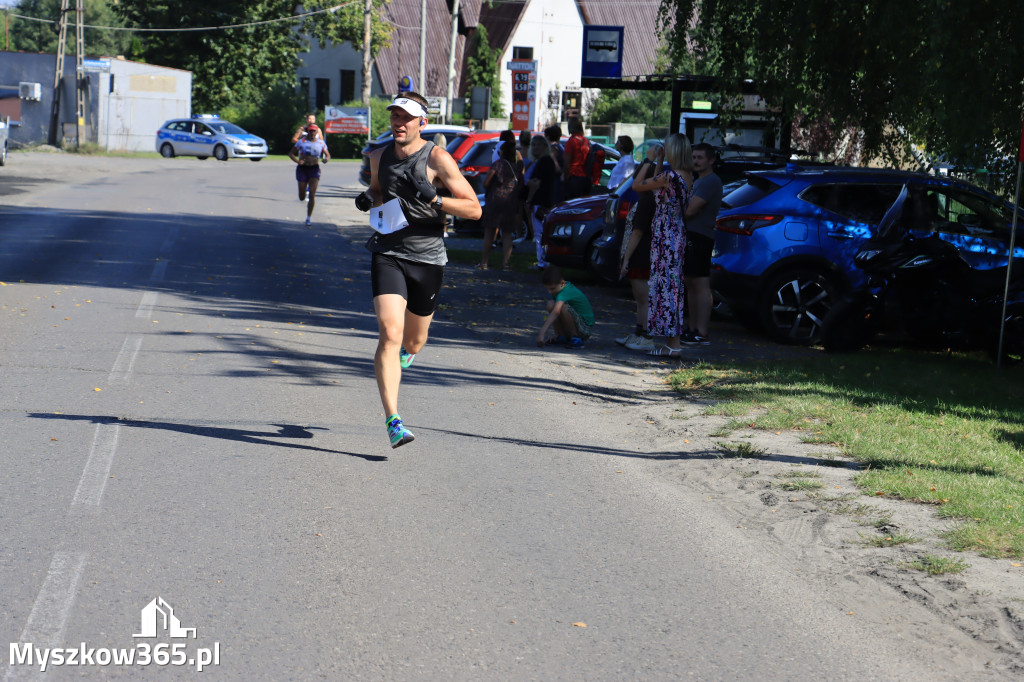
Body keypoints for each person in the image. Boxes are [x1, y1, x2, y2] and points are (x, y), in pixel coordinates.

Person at [354, 92, 481, 448]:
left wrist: (435, 199)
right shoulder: (379, 156)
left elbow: (474, 210)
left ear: (421, 122)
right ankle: (393, 420)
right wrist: (369, 198)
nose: (398, 122)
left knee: (413, 341)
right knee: (389, 333)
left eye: (405, 117)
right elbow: (378, 191)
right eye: (394, 116)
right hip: (388, 251)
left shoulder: (438, 158)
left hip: (427, 257)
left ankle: (408, 352)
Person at [632, 133, 694, 357]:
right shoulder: (686, 175)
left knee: (666, 287)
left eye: (666, 147)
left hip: (665, 234)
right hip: (675, 233)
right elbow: (658, 190)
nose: (664, 149)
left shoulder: (669, 176)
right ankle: (672, 342)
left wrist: (648, 160)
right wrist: (659, 162)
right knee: (672, 287)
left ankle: (674, 344)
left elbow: (638, 185)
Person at [616, 143, 661, 351]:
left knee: (643, 297)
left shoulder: (647, 200)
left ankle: (646, 336)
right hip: (642, 251)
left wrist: (626, 258)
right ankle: (638, 332)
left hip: (641, 252)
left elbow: (637, 231)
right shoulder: (648, 198)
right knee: (639, 297)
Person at [681, 142, 723, 346]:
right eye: (694, 157)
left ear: (711, 160)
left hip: (700, 237)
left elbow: (689, 211)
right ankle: (692, 328)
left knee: (701, 284)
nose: (696, 161)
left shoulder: (710, 182)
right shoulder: (699, 180)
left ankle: (702, 332)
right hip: (691, 235)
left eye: (700, 158)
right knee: (690, 284)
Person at [478, 140, 522, 271]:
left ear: (501, 152)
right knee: (507, 234)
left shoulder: (498, 164)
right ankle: (506, 264)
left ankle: (484, 262)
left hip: (495, 201)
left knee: (489, 232)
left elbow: (486, 182)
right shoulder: (516, 167)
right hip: (510, 202)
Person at [536, 265, 595, 350]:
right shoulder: (559, 289)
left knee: (563, 308)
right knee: (551, 304)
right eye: (548, 289)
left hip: (585, 329)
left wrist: (541, 333)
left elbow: (556, 312)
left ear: (562, 283)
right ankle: (561, 337)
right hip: (577, 324)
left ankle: (576, 338)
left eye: (552, 289)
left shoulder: (565, 291)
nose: (549, 292)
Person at [524, 135, 558, 270]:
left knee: (539, 233)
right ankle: (544, 260)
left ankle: (542, 262)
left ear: (545, 146)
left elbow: (535, 184)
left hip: (540, 201)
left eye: (539, 145)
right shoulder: (546, 161)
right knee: (543, 233)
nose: (535, 147)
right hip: (546, 200)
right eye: (533, 145)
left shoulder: (543, 162)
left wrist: (529, 200)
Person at [288, 124, 330, 227]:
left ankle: (308, 218)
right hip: (303, 169)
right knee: (302, 197)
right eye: (310, 131)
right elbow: (291, 153)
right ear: (308, 132)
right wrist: (298, 161)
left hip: (314, 169)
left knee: (312, 194)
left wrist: (326, 159)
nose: (312, 133)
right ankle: (304, 192)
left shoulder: (321, 142)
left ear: (316, 132)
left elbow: (327, 154)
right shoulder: (301, 142)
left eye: (314, 131)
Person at [562, 118, 591, 200]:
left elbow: (567, 164)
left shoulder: (571, 141)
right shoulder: (585, 141)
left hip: (573, 178)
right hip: (585, 179)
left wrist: (565, 179)